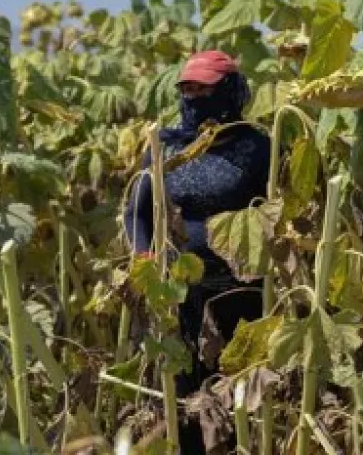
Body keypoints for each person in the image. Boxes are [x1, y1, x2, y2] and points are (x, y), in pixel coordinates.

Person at [122, 50, 272, 455]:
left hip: (240, 293)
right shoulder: (165, 146)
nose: (192, 95)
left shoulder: (257, 147)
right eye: (186, 87)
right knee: (185, 395)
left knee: (241, 394)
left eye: (202, 87)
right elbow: (137, 213)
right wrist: (144, 260)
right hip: (178, 295)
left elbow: (278, 212)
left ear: (228, 91)